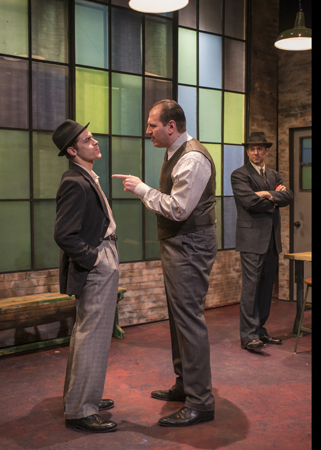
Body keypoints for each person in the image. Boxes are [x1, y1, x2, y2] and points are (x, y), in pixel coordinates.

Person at [112, 99, 217, 427]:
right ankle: (186, 384)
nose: (148, 131)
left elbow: (179, 209)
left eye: (152, 125)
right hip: (180, 243)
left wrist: (142, 189)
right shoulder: (174, 152)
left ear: (171, 126)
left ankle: (201, 401)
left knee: (189, 319)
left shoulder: (192, 158)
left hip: (190, 244)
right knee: (178, 316)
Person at [52, 119, 120, 433]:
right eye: (87, 140)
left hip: (102, 256)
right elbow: (64, 235)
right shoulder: (74, 181)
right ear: (72, 150)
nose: (95, 142)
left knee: (90, 334)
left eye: (92, 137)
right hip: (96, 262)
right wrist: (95, 260)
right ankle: (81, 410)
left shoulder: (86, 176)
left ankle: (82, 397)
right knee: (91, 335)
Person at [230, 132, 294, 352]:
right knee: (251, 288)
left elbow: (289, 197)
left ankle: (259, 331)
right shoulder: (239, 175)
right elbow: (249, 201)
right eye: (251, 149)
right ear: (248, 151)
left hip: (271, 240)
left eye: (259, 148)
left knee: (266, 288)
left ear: (266, 151)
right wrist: (274, 197)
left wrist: (265, 194)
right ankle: (248, 336)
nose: (255, 152)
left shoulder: (274, 174)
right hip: (251, 240)